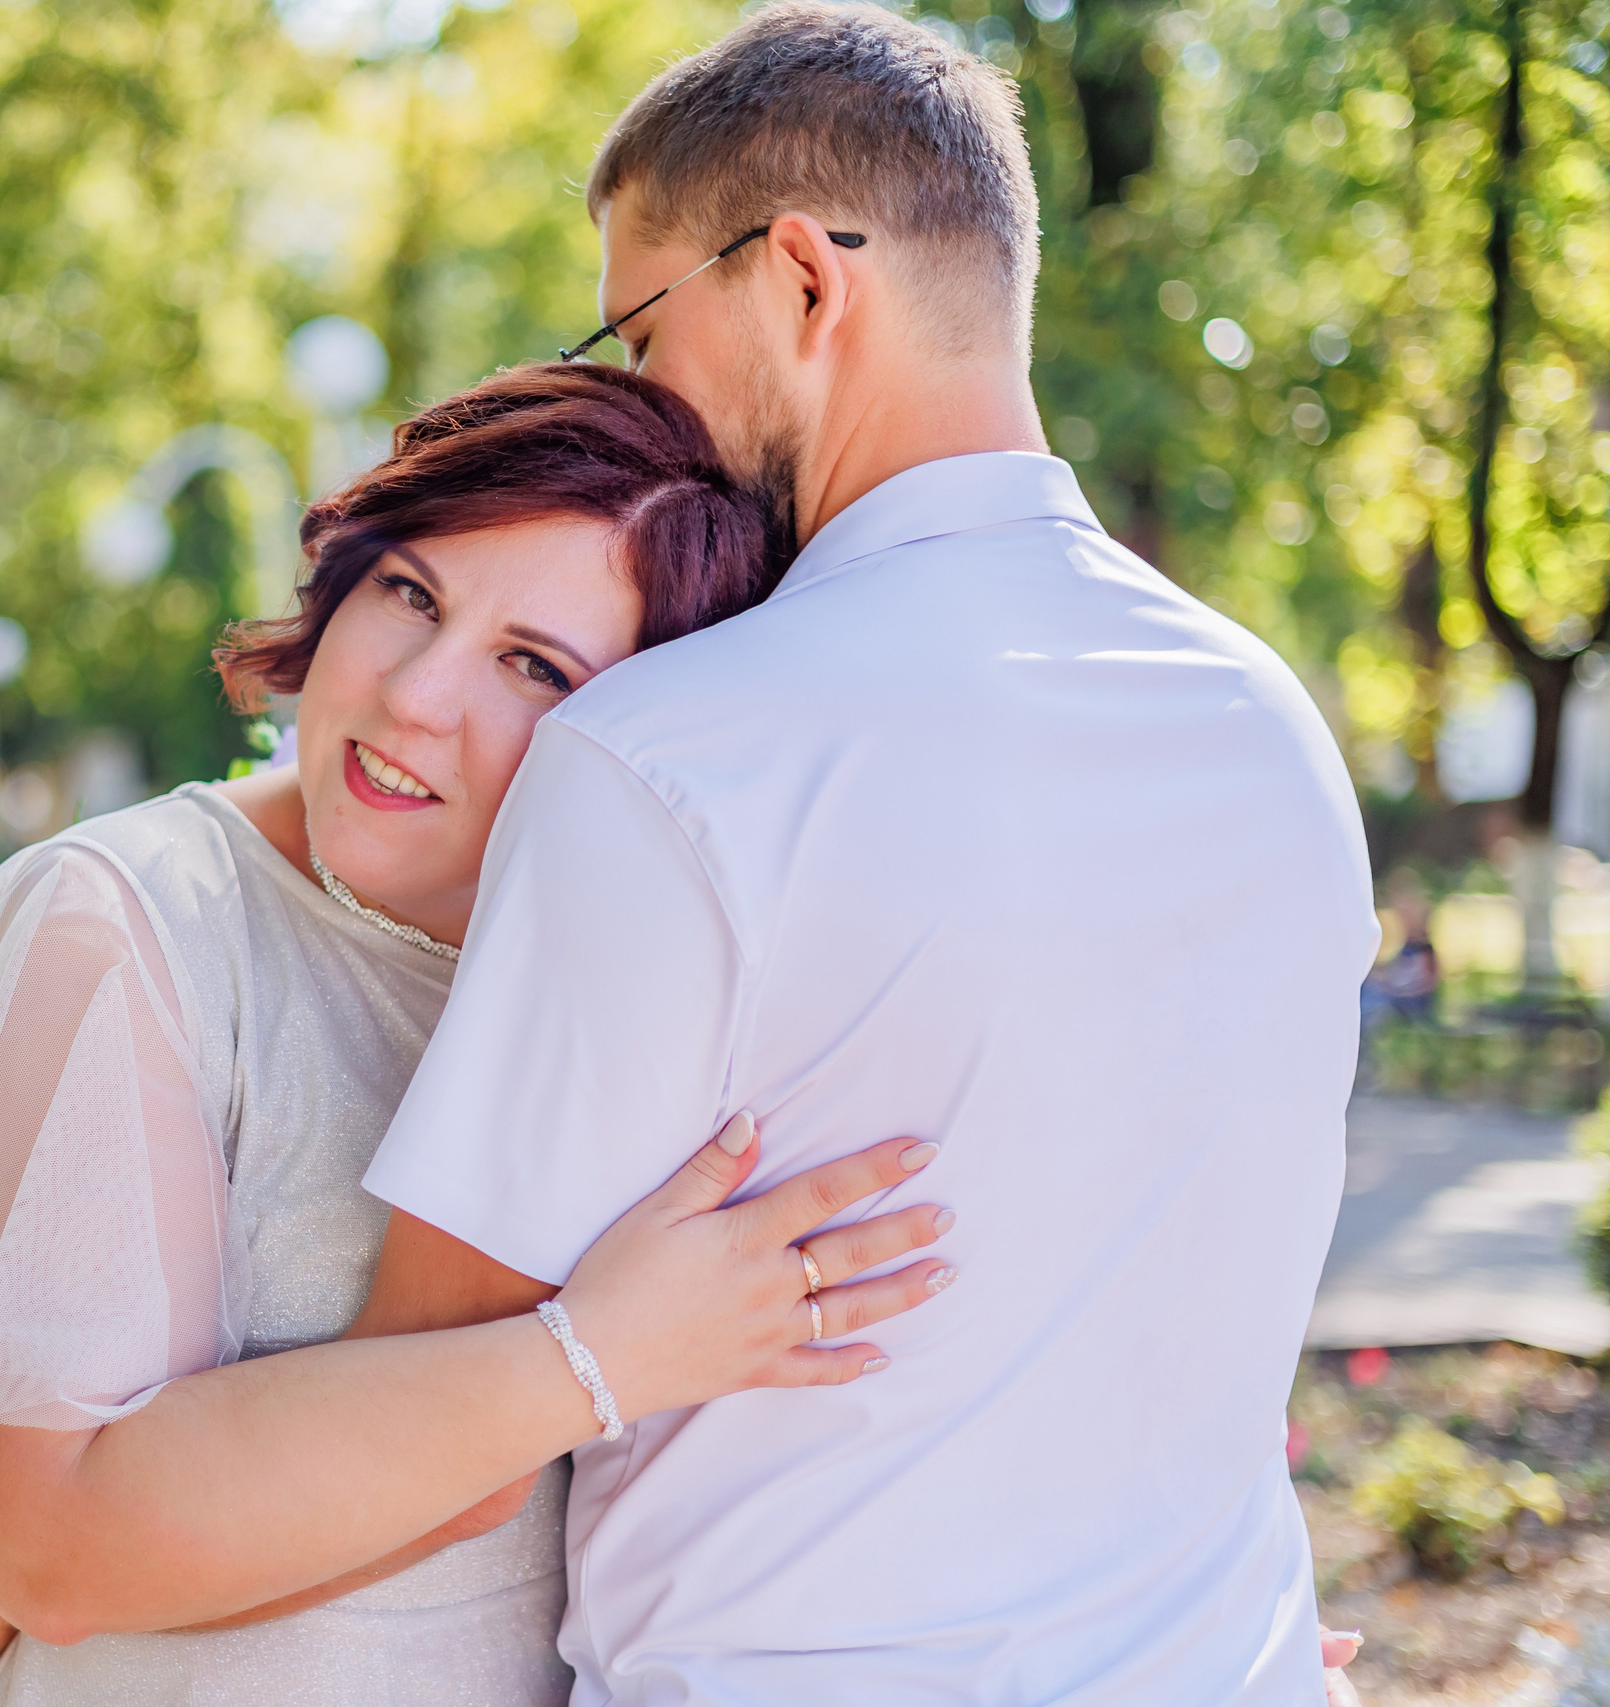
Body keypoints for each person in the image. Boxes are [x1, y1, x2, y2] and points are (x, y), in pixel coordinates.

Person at [341, 5, 1381, 1704]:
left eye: (642, 331)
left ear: (805, 281)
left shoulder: (673, 755)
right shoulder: (1272, 731)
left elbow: (416, 1442)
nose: (641, 406)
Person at [0, 362, 957, 1704]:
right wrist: (600, 1356)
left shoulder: (668, 986)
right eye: (411, 593)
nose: (416, 693)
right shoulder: (128, 924)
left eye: (534, 665)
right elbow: (36, 1556)